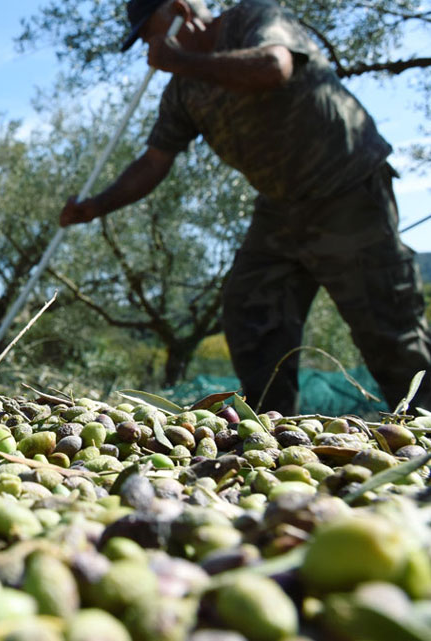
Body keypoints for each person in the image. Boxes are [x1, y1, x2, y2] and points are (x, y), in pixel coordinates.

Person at [59, 0, 431, 414]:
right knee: (250, 309)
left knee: (388, 329)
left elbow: (274, 66)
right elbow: (153, 162)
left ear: (181, 9)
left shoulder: (255, 18)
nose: (148, 42)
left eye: (150, 29)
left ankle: (423, 429)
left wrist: (179, 59)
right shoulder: (182, 90)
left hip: (345, 188)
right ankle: (274, 430)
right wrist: (94, 207)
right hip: (280, 209)